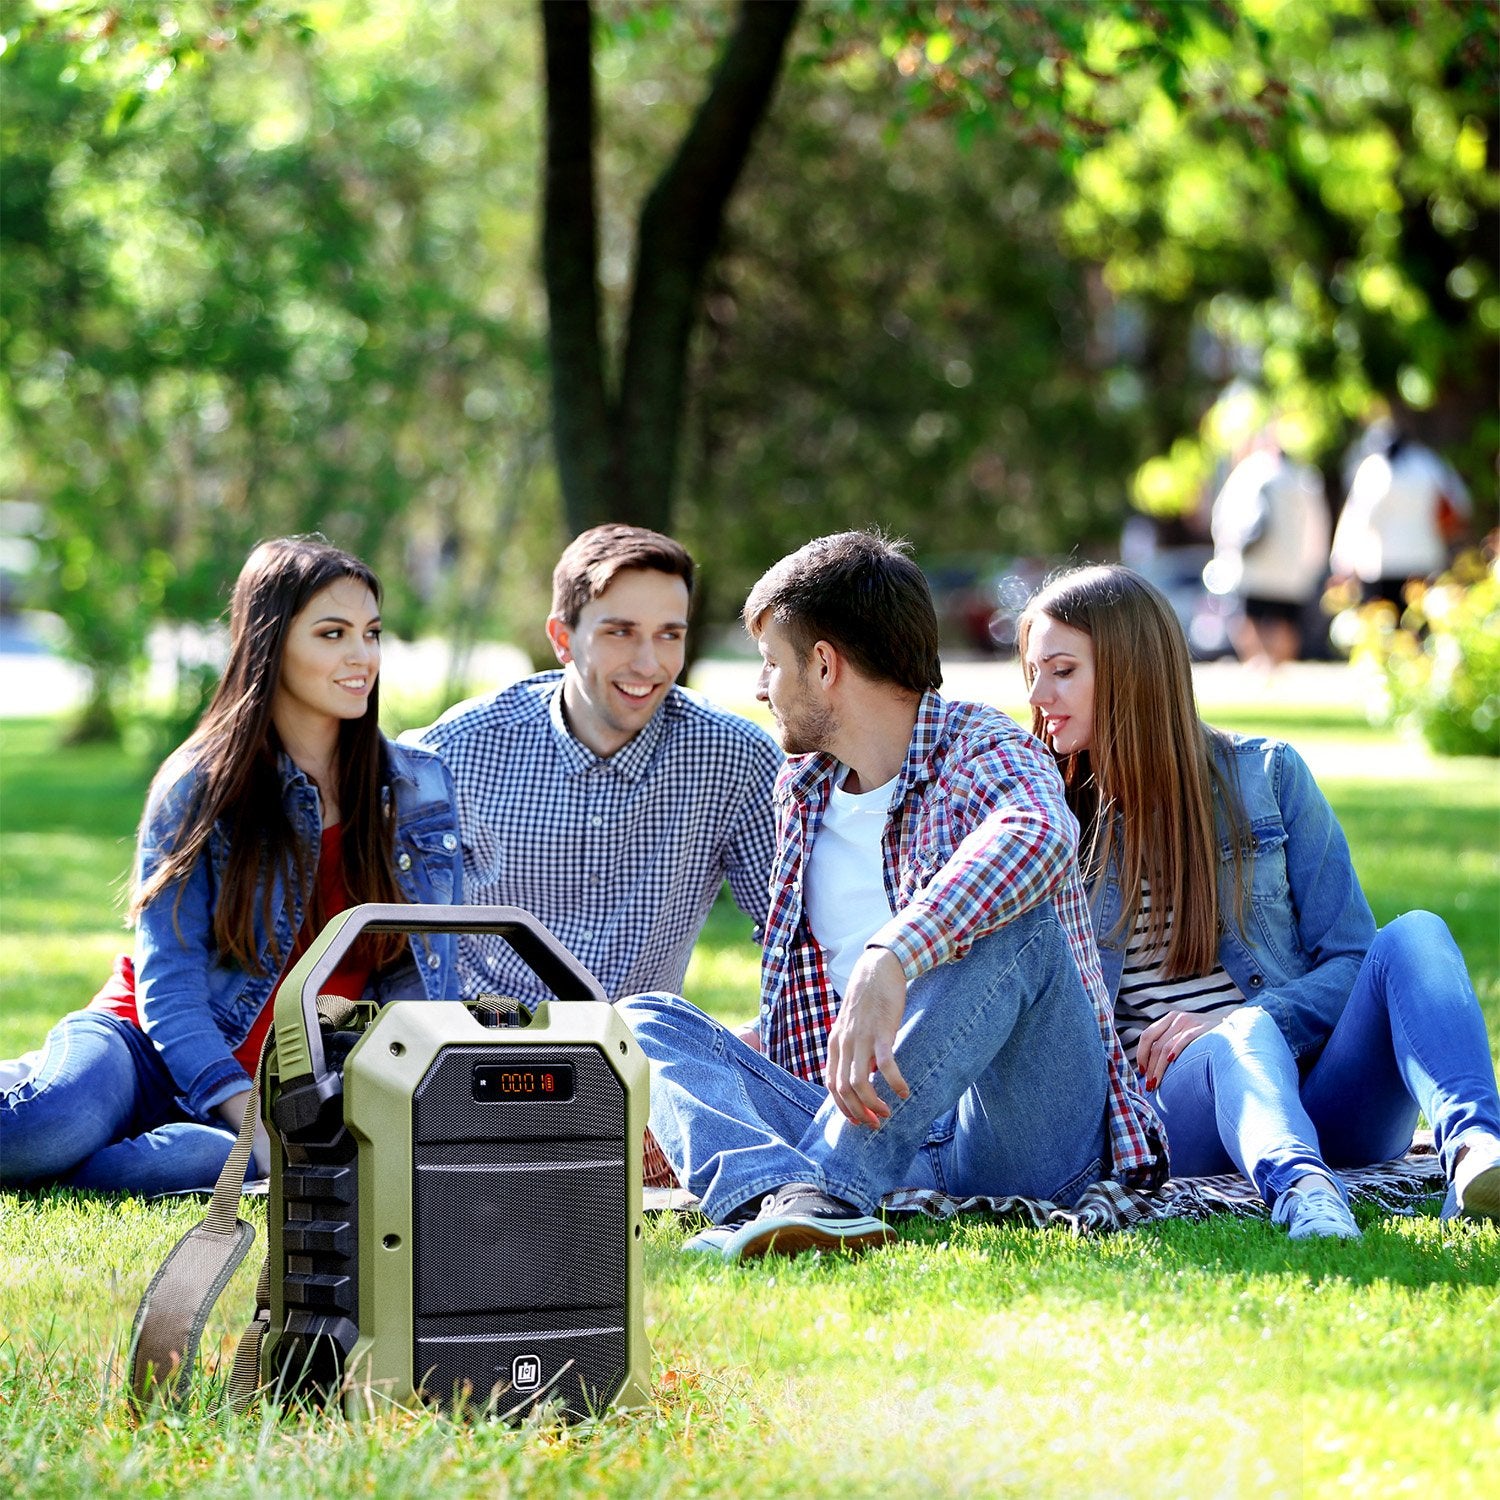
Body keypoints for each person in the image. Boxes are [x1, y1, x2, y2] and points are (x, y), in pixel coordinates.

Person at [619, 531, 1165, 1261]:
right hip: (871, 1121)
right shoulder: (802, 792)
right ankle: (773, 1201)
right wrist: (716, 1076)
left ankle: (826, 1192)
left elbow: (1039, 834)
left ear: (824, 665)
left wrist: (893, 955)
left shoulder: (980, 746)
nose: (760, 687)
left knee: (1017, 924)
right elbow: (817, 1006)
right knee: (643, 1020)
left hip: (1014, 1133)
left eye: (771, 662)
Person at [1018, 563, 1500, 1238]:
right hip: (1180, 1113)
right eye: (1033, 672)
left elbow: (1352, 960)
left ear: (1133, 670)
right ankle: (1303, 1191)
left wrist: (1255, 1015)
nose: (1037, 694)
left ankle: (1477, 1154)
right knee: (1240, 1037)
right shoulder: (1049, 817)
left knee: (1415, 934)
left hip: (1327, 1091)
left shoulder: (1267, 776)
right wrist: (1235, 1031)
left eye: (1062, 671)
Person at [1, 537, 464, 1195]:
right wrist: (257, 1129)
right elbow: (169, 986)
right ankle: (62, 1116)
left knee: (207, 1159)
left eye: (372, 633)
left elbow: (415, 987)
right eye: (332, 634)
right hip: (141, 1050)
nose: (362, 656)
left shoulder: (416, 791)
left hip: (284, 1097)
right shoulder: (201, 783)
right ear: (270, 643)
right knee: (48, 1126)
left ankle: (80, 1152)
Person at [409, 524, 780, 1006]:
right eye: (620, 632)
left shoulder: (736, 759)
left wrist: (764, 1033)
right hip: (479, 1042)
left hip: (635, 1044)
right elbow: (388, 922)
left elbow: (794, 932)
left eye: (669, 635)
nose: (648, 663)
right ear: (562, 638)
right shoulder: (456, 752)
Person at [1205, 431, 1330, 669]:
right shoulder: (1302, 477)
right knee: (1285, 622)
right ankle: (1275, 668)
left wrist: (1226, 555)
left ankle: (1259, 667)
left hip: (1252, 565)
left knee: (1250, 619)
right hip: (1290, 570)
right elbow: (1317, 526)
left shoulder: (1247, 473)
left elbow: (1224, 520)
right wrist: (1312, 564)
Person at [1330, 428, 1472, 610]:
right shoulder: (1428, 463)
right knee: (1419, 621)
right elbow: (1461, 503)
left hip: (1381, 565)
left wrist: (1342, 561)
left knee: (1382, 621)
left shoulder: (1374, 468)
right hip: (1425, 560)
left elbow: (1359, 518)